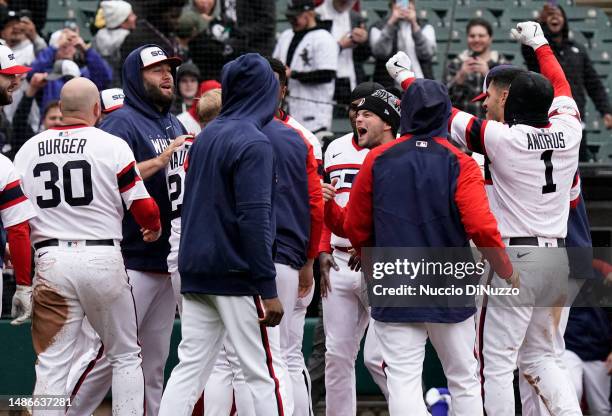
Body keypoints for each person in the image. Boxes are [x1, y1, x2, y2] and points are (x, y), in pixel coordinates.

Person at [341, 52, 516, 416]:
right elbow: (481, 227)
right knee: (464, 377)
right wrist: (504, 268)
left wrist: (371, 256)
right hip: (448, 278)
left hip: (395, 276)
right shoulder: (460, 160)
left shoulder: (378, 158)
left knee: (403, 377)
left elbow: (355, 225)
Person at [442, 21, 583, 414]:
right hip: (557, 258)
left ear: (509, 102)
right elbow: (563, 86)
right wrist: (540, 44)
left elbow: (442, 112)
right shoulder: (570, 130)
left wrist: (404, 82)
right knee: (544, 358)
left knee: (496, 363)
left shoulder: (504, 138)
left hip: (515, 260)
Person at [14, 77, 162, 416]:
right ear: (97, 109)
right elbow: (144, 207)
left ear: (61, 109)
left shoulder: (28, 149)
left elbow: (16, 218)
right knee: (124, 354)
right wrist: (151, 227)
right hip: (101, 256)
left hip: (50, 260)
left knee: (52, 362)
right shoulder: (110, 144)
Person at [158, 53, 289, 416]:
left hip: (196, 269)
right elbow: (254, 217)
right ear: (265, 90)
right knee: (263, 374)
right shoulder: (254, 141)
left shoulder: (207, 134)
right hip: (237, 275)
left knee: (188, 371)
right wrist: (267, 285)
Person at [66, 45, 188, 416]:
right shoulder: (122, 123)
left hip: (163, 260)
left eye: (169, 68)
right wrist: (164, 158)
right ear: (136, 76)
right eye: (156, 70)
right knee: (106, 356)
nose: (167, 75)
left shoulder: (173, 123)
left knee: (153, 364)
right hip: (130, 257)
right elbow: (112, 182)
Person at [315, 82, 394, 415]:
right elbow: (323, 202)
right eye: (354, 110)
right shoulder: (333, 148)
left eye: (366, 112)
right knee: (336, 355)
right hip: (339, 259)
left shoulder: (397, 150)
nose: (357, 117)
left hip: (380, 263)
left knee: (385, 358)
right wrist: (321, 249)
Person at [521, 4, 612, 161]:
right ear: (544, 20)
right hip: (547, 119)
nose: (555, 17)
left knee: (579, 168)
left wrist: (606, 111)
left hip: (576, 120)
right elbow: (528, 51)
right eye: (550, 15)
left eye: (558, 14)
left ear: (565, 20)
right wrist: (537, 24)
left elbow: (593, 83)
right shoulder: (539, 49)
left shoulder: (578, 49)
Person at [0, 44, 35, 326]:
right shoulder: (3, 165)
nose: (15, 81)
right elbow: (18, 229)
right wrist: (23, 284)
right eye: (7, 75)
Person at [273, 0, 339, 134]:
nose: (291, 20)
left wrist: (293, 74)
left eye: (295, 16)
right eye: (289, 16)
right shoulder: (286, 35)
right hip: (287, 107)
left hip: (315, 111)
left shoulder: (324, 38)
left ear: (309, 14)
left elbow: (327, 75)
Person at [28, 28, 113, 113]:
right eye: (63, 46)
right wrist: (54, 47)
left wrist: (86, 50)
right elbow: (31, 73)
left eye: (71, 45)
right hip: (53, 120)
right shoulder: (46, 76)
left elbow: (105, 78)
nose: (68, 49)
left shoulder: (84, 72)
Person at [446, 18, 509, 119]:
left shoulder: (502, 64)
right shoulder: (456, 63)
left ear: (490, 38)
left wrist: (488, 75)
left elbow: (507, 99)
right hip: (463, 126)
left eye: (481, 36)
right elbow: (447, 101)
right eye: (472, 36)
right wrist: (460, 77)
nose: (476, 39)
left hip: (493, 126)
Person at [316, 0, 370, 112]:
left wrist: (364, 41)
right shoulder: (318, 16)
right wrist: (339, 46)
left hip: (351, 81)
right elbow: (315, 54)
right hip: (324, 81)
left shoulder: (355, 17)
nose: (345, 3)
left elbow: (363, 56)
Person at [370, 0, 436, 86]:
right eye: (399, 2)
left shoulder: (425, 27)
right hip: (389, 87)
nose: (404, 6)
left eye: (408, 2)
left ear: (413, 5)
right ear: (392, 5)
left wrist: (414, 24)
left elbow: (427, 54)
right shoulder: (378, 27)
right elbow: (381, 53)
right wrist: (391, 23)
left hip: (420, 84)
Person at [93, 0, 137, 87]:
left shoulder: (97, 36)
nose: (135, 17)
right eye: (131, 15)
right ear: (122, 20)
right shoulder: (129, 39)